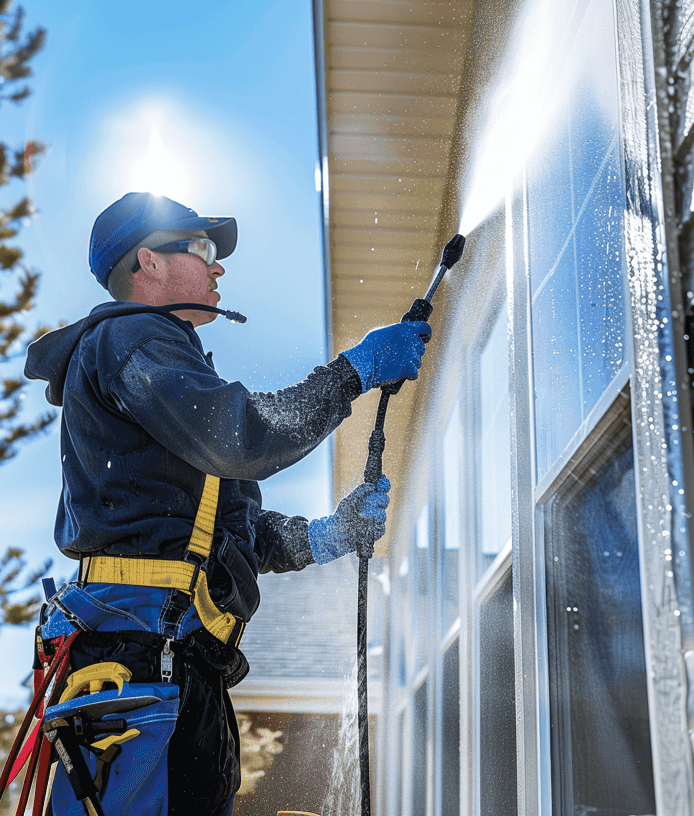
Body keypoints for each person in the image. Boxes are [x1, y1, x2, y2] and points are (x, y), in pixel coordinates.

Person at [22, 191, 432, 816]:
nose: (218, 269)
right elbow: (239, 437)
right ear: (149, 263)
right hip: (141, 647)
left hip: (175, 651)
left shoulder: (166, 363)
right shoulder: (130, 340)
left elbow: (231, 526)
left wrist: (324, 534)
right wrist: (354, 372)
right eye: (203, 250)